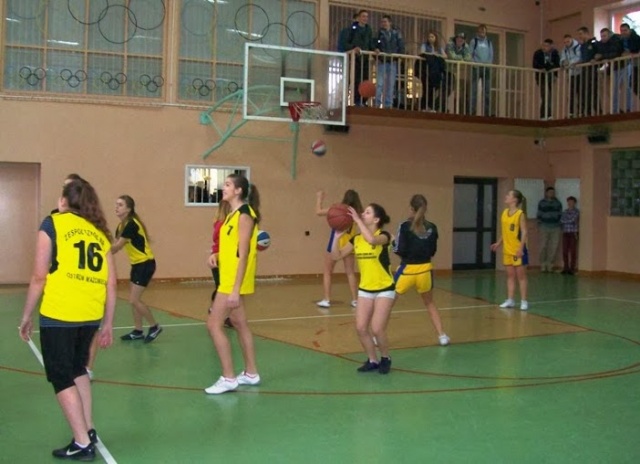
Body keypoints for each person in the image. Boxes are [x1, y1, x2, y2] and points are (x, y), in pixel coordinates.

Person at [19, 179, 116, 461]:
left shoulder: (53, 223)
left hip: (60, 313)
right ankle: (89, 428)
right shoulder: (99, 233)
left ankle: (82, 442)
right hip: (90, 314)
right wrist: (108, 322)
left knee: (61, 376)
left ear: (63, 201)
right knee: (78, 369)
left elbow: (39, 276)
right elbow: (111, 283)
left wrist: (26, 315)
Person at [205, 174, 262, 394]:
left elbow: (244, 254)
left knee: (213, 325)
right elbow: (232, 249)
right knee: (239, 323)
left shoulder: (245, 215)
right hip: (228, 276)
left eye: (228, 184)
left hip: (232, 282)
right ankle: (251, 373)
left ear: (238, 190)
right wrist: (217, 255)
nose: (224, 187)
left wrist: (236, 289)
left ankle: (228, 377)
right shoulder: (232, 215)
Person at [332, 203, 395, 374]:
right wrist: (336, 238)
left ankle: (385, 358)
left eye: (367, 212)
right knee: (361, 328)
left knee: (377, 328)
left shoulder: (384, 236)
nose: (362, 214)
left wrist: (357, 221)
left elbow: (372, 240)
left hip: (384, 288)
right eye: (363, 212)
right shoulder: (357, 239)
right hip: (365, 289)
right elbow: (336, 256)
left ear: (376, 219)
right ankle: (372, 360)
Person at [393, 194, 450, 346]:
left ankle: (376, 335)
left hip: (407, 271)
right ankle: (442, 335)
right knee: (430, 303)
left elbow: (399, 250)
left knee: (387, 303)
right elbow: (432, 251)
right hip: (425, 270)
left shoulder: (404, 226)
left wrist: (393, 243)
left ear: (411, 208)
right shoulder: (432, 227)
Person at [112, 195, 162, 343]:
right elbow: (115, 245)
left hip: (145, 264)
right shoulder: (121, 226)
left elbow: (117, 247)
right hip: (136, 264)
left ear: (128, 209)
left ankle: (154, 327)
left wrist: (98, 249)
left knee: (134, 300)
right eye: (116, 204)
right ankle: (138, 331)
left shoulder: (131, 225)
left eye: (120, 205)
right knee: (134, 300)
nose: (116, 207)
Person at [316, 189, 363, 309]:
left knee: (327, 272)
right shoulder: (358, 213)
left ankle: (326, 299)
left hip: (335, 243)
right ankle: (355, 300)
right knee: (350, 273)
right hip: (349, 245)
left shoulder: (337, 210)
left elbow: (318, 212)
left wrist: (319, 198)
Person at [490, 190, 529, 311]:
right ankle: (510, 300)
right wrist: (499, 243)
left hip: (517, 250)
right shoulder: (504, 213)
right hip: (507, 250)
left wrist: (521, 248)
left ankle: (524, 301)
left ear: (515, 200)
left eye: (509, 195)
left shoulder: (520, 214)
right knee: (510, 276)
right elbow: (505, 232)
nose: (506, 196)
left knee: (521, 276)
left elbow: (524, 232)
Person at [208, 200, 233, 328]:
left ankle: (222, 313)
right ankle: (217, 311)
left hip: (220, 257)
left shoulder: (220, 224)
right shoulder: (224, 225)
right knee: (223, 288)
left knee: (222, 287)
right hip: (221, 258)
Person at [374, 15, 405, 109]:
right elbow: (374, 44)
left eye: (385, 21)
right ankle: (377, 103)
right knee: (379, 83)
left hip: (392, 61)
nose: (383, 23)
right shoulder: (379, 33)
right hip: (382, 61)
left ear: (390, 23)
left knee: (390, 84)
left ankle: (388, 104)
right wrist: (376, 49)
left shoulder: (396, 34)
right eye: (382, 22)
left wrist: (400, 56)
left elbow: (401, 45)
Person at [345, 9, 374, 106]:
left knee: (365, 79)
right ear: (359, 18)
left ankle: (363, 100)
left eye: (367, 16)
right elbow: (346, 43)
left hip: (365, 59)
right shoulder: (352, 29)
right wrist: (354, 48)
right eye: (363, 16)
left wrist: (375, 49)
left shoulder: (369, 30)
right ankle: (356, 100)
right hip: (355, 59)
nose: (365, 18)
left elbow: (371, 43)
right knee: (356, 80)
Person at [594, 28, 623, 114]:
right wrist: (598, 57)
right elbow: (602, 53)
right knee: (612, 89)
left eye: (604, 36)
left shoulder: (616, 41)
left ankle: (617, 109)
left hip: (621, 66)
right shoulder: (601, 44)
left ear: (610, 35)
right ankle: (615, 109)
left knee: (616, 88)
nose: (603, 38)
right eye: (601, 36)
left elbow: (615, 53)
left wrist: (602, 56)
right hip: (612, 67)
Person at [418, 31, 448, 112]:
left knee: (433, 90)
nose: (430, 38)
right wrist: (431, 54)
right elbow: (421, 52)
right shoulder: (425, 45)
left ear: (435, 38)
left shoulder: (438, 47)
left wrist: (437, 55)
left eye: (432, 37)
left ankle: (431, 107)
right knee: (426, 89)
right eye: (429, 37)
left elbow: (445, 56)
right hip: (426, 70)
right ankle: (424, 107)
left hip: (435, 72)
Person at [536, 187, 563, 273]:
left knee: (554, 246)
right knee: (543, 246)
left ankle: (550, 264)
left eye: (553, 192)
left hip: (556, 227)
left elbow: (560, 214)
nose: (552, 194)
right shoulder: (542, 203)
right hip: (544, 226)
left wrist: (560, 224)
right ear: (546, 193)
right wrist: (539, 224)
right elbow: (539, 214)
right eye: (550, 192)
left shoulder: (558, 203)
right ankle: (543, 264)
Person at [469, 24, 494, 116]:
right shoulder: (474, 41)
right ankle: (472, 112)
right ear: (478, 31)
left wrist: (488, 65)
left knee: (487, 91)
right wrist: (474, 63)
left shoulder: (489, 42)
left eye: (483, 30)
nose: (482, 32)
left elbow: (491, 55)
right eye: (480, 30)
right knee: (474, 90)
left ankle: (487, 113)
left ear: (486, 32)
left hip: (486, 69)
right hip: (476, 68)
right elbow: (470, 54)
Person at [533, 39, 560, 119]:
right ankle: (545, 115)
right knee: (545, 96)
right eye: (543, 45)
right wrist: (543, 67)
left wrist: (555, 74)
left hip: (550, 77)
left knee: (549, 96)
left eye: (547, 46)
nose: (544, 47)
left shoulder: (554, 53)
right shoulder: (538, 53)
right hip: (541, 77)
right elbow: (535, 64)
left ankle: (547, 115)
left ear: (551, 46)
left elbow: (556, 64)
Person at [577, 26, 600, 116]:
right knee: (584, 90)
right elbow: (583, 58)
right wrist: (577, 63)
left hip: (592, 70)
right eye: (579, 34)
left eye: (581, 34)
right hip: (584, 70)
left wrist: (595, 59)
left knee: (593, 90)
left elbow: (599, 53)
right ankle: (587, 111)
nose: (579, 36)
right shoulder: (582, 46)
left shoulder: (594, 42)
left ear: (586, 33)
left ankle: (597, 110)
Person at [617, 24, 640, 113]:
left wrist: (630, 53)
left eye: (625, 30)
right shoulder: (622, 40)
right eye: (622, 31)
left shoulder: (636, 38)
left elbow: (636, 50)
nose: (623, 32)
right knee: (633, 84)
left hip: (637, 64)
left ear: (629, 30)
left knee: (635, 83)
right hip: (632, 65)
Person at [560, 34, 582, 118]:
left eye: (568, 41)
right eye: (565, 42)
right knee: (572, 93)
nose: (566, 43)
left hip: (579, 72)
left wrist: (569, 63)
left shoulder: (578, 47)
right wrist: (563, 62)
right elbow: (562, 58)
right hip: (571, 73)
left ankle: (580, 111)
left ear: (572, 39)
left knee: (580, 93)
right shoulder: (564, 50)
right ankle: (571, 112)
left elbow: (579, 58)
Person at [560, 196, 580, 275]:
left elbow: (573, 220)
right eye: (569, 202)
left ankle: (572, 268)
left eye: (572, 202)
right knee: (565, 251)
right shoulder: (565, 211)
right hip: (565, 232)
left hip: (573, 233)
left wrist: (566, 220)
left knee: (573, 251)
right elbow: (561, 220)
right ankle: (565, 268)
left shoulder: (576, 211)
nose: (570, 203)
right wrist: (567, 221)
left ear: (574, 203)